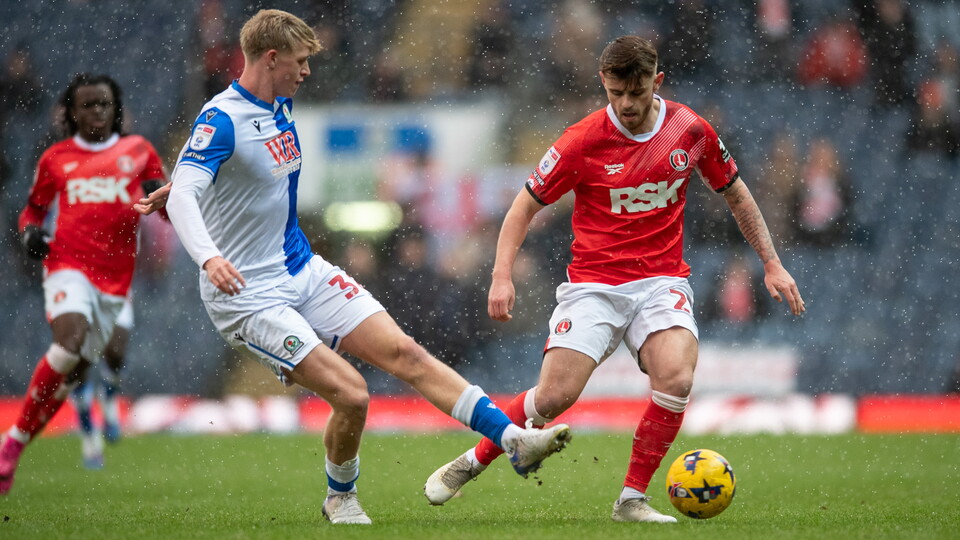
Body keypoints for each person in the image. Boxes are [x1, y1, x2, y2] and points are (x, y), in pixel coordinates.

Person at [134, 9, 570, 525]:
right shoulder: (221, 118)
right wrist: (207, 251)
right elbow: (186, 197)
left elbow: (229, 178)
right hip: (248, 295)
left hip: (300, 268)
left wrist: (198, 182)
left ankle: (512, 440)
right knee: (352, 393)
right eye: (299, 61)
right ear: (270, 59)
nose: (307, 71)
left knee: (405, 352)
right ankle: (340, 497)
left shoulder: (280, 102)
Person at [423, 35, 805, 523]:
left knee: (677, 377)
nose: (626, 104)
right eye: (616, 93)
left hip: (662, 280)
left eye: (637, 92)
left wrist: (771, 262)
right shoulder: (581, 141)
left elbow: (736, 193)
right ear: (604, 84)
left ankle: (631, 499)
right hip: (594, 286)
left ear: (656, 81)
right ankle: (472, 461)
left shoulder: (690, 130)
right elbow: (522, 207)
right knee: (555, 397)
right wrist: (501, 276)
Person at [0, 73, 167, 495]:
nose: (96, 112)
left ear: (116, 109)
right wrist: (28, 234)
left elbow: (165, 208)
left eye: (104, 104)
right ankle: (18, 447)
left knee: (78, 369)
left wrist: (177, 208)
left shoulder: (139, 153)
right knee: (68, 342)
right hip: (67, 265)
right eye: (87, 105)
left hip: (115, 281)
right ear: (72, 113)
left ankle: (15, 442)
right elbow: (32, 212)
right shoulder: (56, 158)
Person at [70, 297, 133, 469]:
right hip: (77, 292)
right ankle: (90, 439)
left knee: (117, 353)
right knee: (76, 367)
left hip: (114, 289)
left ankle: (108, 396)